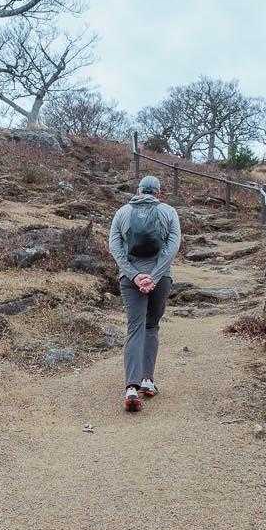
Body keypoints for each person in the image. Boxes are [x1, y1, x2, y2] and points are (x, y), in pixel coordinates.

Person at [107, 175, 181, 412]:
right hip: (161, 278)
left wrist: (133, 275)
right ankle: (148, 380)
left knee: (135, 327)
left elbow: (114, 246)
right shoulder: (169, 212)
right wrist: (155, 276)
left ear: (138, 190)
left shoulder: (122, 212)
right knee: (151, 326)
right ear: (158, 192)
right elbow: (173, 246)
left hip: (130, 279)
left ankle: (131, 387)